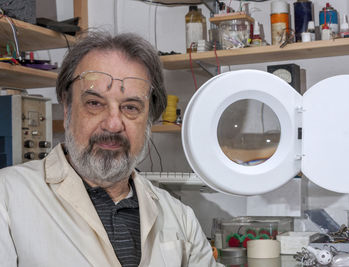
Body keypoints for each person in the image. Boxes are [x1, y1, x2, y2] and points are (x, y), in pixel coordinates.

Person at [0, 32, 221, 267]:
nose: (113, 124)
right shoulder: (8, 197)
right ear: (67, 108)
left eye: (131, 107)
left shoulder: (180, 217)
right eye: (95, 103)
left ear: (148, 120)